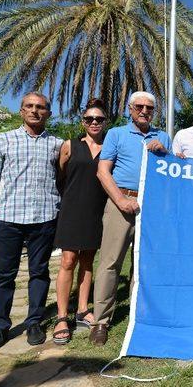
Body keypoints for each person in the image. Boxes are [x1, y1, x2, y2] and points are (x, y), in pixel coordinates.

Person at [0, 92, 63, 352]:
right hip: (8, 218)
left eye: (41, 107)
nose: (35, 111)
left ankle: (34, 321)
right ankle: (0, 327)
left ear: (48, 112)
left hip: (45, 217)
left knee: (39, 272)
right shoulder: (1, 140)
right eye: (30, 106)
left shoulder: (58, 145)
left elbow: (63, 178)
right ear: (21, 111)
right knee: (4, 274)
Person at [89, 91, 171, 346]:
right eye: (139, 106)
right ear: (130, 108)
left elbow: (170, 171)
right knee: (111, 262)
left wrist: (164, 152)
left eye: (149, 108)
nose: (144, 111)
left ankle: (139, 315)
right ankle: (101, 321)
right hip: (120, 202)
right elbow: (103, 172)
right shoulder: (116, 134)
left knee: (144, 264)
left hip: (151, 205)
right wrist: (121, 201)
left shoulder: (163, 136)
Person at [52, 99, 108, 345]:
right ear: (83, 122)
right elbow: (60, 176)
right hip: (72, 210)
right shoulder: (70, 146)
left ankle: (83, 309)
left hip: (97, 211)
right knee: (68, 260)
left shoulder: (110, 147)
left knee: (87, 261)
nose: (94, 122)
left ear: (105, 122)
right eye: (89, 119)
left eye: (99, 119)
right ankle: (62, 316)